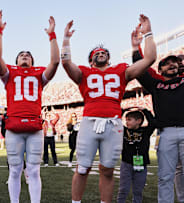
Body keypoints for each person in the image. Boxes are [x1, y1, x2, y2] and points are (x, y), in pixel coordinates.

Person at [61, 14, 156, 203]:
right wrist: (65, 39)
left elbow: (150, 59)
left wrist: (148, 34)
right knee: (82, 168)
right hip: (89, 122)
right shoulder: (84, 72)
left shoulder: (120, 70)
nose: (101, 52)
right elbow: (65, 62)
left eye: (104, 51)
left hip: (113, 124)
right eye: (96, 52)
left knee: (108, 170)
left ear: (109, 57)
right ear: (91, 60)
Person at [0, 10, 59, 203]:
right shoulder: (9, 74)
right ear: (16, 61)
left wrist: (52, 35)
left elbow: (55, 61)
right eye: (21, 55)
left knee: (33, 170)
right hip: (14, 127)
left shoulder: (39, 74)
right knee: (14, 170)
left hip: (34, 127)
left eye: (28, 55)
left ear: (32, 61)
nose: (25, 56)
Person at [133, 33, 184, 203]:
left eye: (175, 63)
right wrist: (135, 48)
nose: (171, 65)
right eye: (166, 63)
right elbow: (140, 70)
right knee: (164, 178)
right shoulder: (156, 84)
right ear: (160, 70)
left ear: (181, 67)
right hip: (166, 134)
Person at [117, 108, 155, 203]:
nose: (127, 122)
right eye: (126, 120)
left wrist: (145, 111)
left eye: (129, 120)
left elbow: (153, 123)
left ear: (138, 121)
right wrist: (123, 110)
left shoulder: (145, 131)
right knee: (123, 189)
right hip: (126, 164)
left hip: (141, 164)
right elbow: (116, 121)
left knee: (138, 190)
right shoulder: (124, 130)